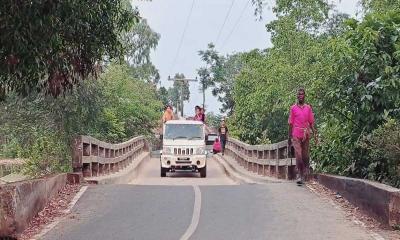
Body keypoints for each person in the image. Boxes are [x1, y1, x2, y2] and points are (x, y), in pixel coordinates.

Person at [288, 88, 318, 185]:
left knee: (305, 156)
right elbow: (290, 123)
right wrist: (289, 138)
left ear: (304, 96)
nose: (300, 96)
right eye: (299, 94)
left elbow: (311, 122)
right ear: (297, 96)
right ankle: (299, 175)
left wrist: (316, 136)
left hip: (306, 134)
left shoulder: (308, 108)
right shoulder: (293, 108)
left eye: (302, 94)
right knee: (299, 155)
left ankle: (305, 171)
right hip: (296, 134)